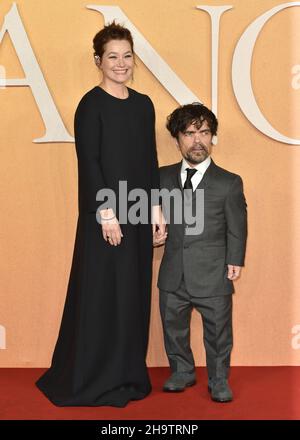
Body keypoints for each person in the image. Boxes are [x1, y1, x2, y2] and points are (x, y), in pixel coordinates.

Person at [36, 22, 164, 407]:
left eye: (127, 56)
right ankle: (95, 375)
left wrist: (157, 209)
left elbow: (149, 160)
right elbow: (89, 163)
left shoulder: (144, 104)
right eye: (113, 56)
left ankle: (127, 373)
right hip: (105, 218)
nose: (121, 63)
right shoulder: (90, 105)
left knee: (133, 294)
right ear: (98, 60)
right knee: (104, 295)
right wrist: (106, 214)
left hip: (139, 215)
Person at [154, 103, 247, 402]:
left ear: (212, 137)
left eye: (204, 132)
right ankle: (182, 371)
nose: (198, 141)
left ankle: (219, 379)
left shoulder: (229, 182)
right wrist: (151, 234)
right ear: (177, 139)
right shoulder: (160, 178)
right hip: (173, 271)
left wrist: (235, 259)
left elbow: (237, 226)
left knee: (219, 332)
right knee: (173, 327)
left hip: (214, 271)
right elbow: (149, 217)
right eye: (190, 133)